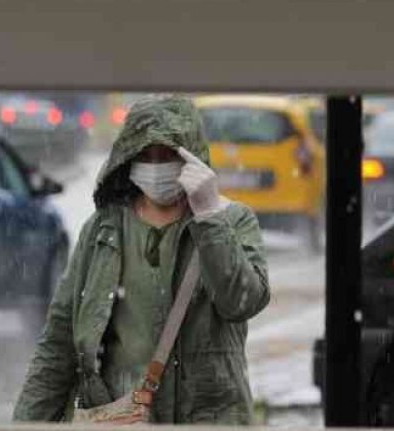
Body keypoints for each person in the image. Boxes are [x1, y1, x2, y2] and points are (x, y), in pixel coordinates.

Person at [13, 95, 270, 424]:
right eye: (145, 154)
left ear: (191, 158)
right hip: (120, 418)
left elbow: (242, 302)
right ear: (129, 156)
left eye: (168, 154)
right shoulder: (103, 230)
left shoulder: (232, 221)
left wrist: (208, 219)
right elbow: (58, 344)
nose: (156, 165)